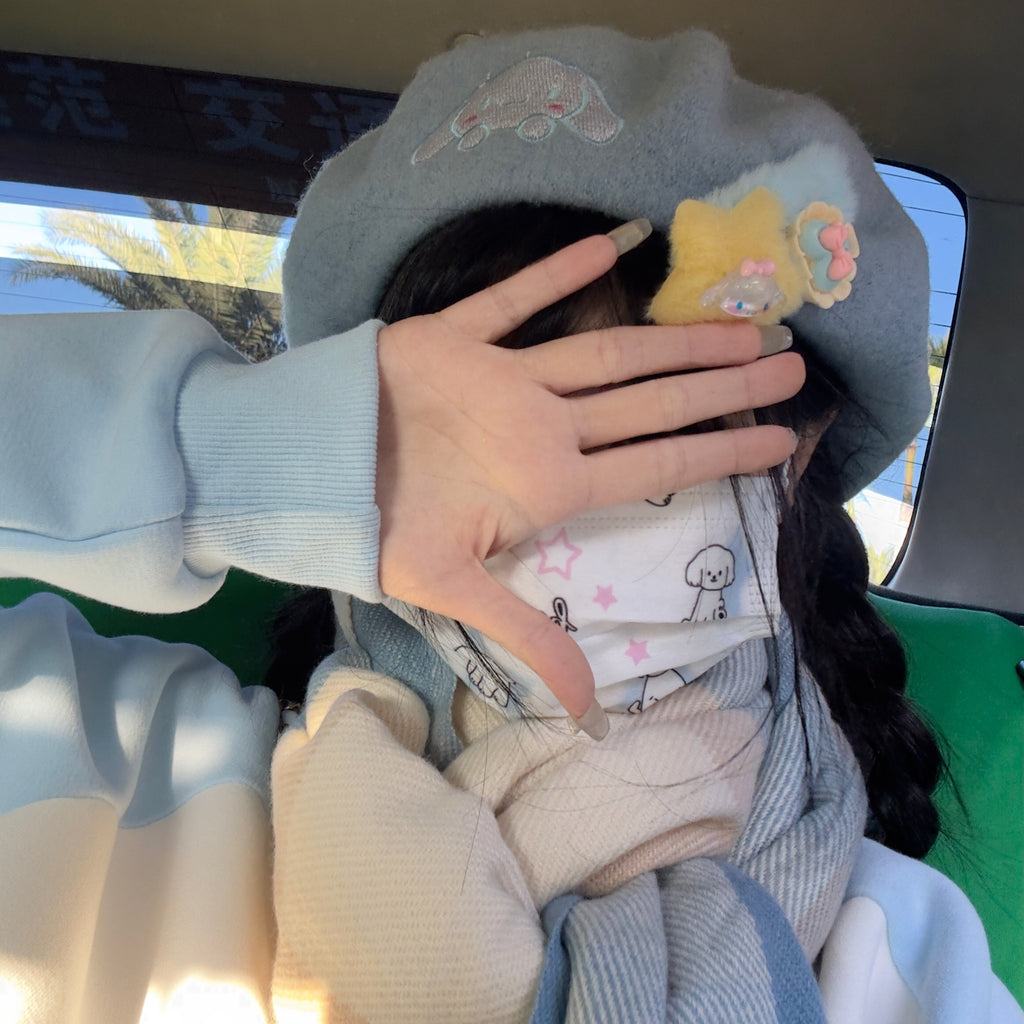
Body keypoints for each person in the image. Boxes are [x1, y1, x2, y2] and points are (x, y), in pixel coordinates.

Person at [0, 25, 1019, 1024]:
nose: (551, 498)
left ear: (794, 469)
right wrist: (258, 453)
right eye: (456, 440)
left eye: (649, 422)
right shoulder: (116, 758)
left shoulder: (907, 954)